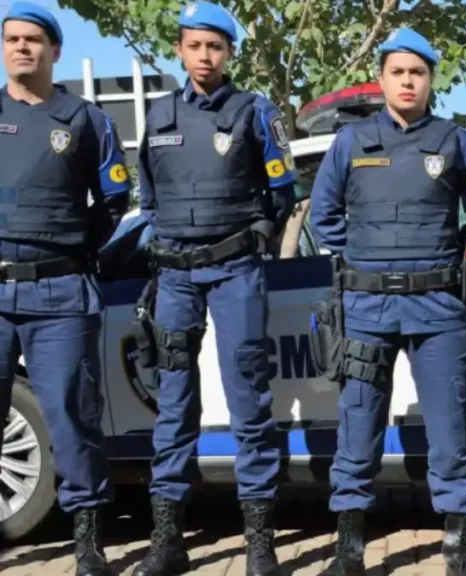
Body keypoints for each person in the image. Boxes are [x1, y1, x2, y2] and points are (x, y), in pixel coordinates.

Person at [309, 27, 466, 576]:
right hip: (366, 308)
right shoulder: (350, 142)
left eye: (418, 72)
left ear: (431, 79)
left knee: (449, 428)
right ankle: (348, 547)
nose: (408, 81)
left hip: (439, 305)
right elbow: (323, 216)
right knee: (358, 424)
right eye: (398, 72)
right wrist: (364, 263)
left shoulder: (455, 140)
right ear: (383, 78)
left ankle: (458, 543)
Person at [130, 2, 297, 575]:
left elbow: (282, 194)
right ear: (179, 49)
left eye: (216, 47)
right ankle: (167, 538)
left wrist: (252, 241)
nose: (205, 56)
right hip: (174, 276)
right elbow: (147, 198)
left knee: (249, 400)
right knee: (174, 404)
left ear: (229, 53)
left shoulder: (255, 111)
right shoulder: (156, 114)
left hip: (236, 272)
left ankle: (259, 541)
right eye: (195, 45)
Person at [0, 3, 131, 574]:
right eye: (12, 39)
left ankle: (86, 539)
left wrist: (73, 247)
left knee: (73, 417)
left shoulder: (87, 120)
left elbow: (113, 202)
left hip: (60, 295)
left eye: (34, 39)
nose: (22, 48)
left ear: (54, 50)